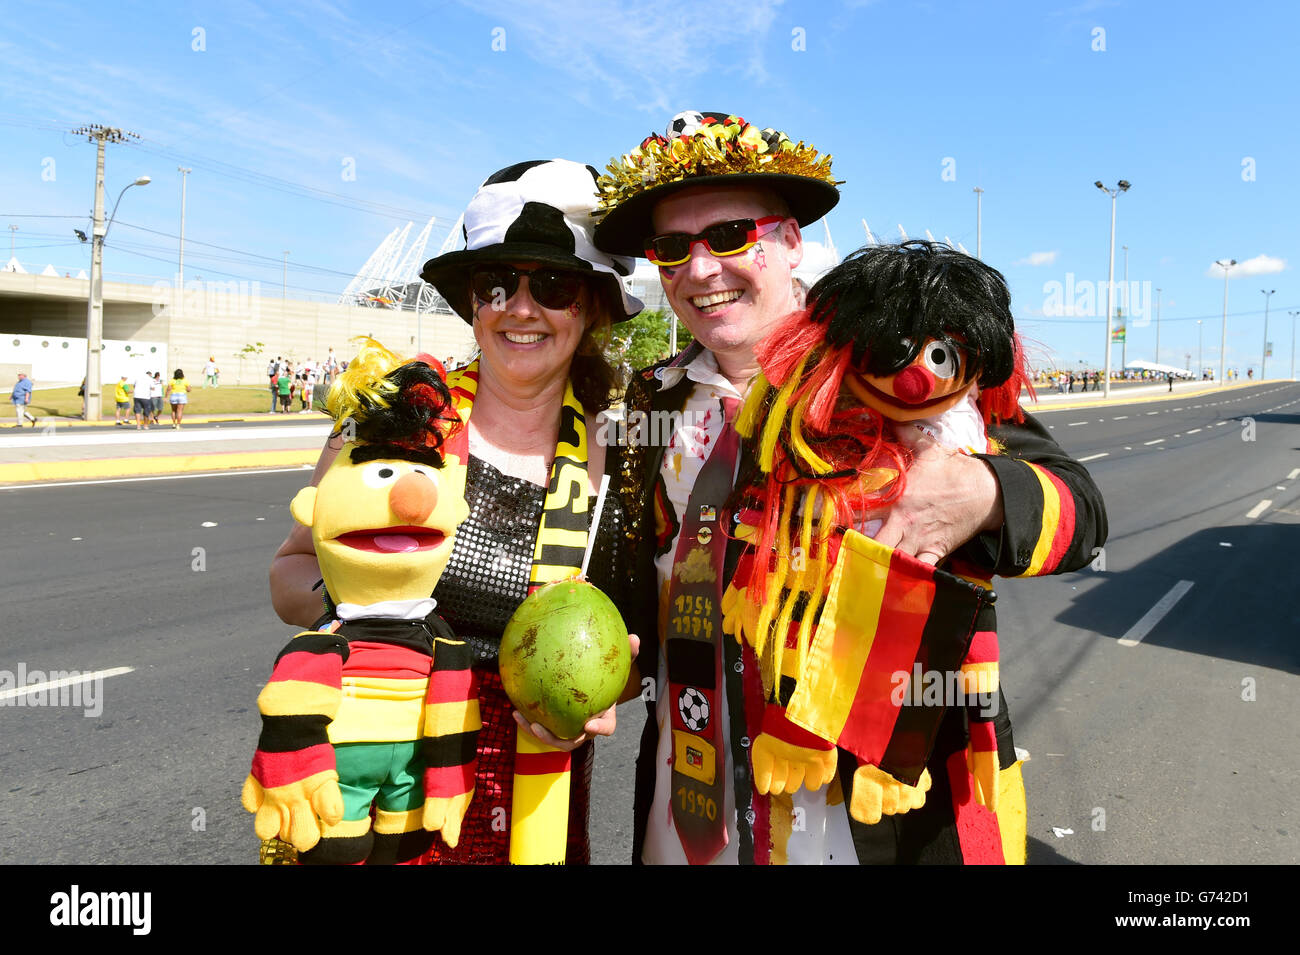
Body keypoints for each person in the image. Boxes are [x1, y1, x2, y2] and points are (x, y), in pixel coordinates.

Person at [593, 111, 1107, 865]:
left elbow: (1082, 510)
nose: (701, 270)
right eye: (672, 249)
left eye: (731, 235)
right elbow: (634, 583)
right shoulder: (651, 403)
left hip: (877, 814)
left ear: (792, 241)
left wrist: (982, 490)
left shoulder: (897, 363)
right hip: (692, 800)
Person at [268, 158, 645, 864]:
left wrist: (604, 686)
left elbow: (632, 635)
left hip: (536, 789)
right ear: (473, 302)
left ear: (590, 305)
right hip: (382, 774)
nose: (520, 307)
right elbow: (290, 570)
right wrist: (358, 614)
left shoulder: (620, 450)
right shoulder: (399, 417)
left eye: (554, 286)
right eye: (496, 283)